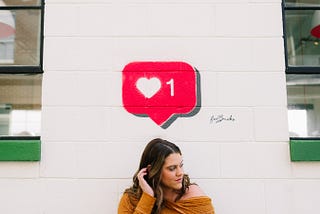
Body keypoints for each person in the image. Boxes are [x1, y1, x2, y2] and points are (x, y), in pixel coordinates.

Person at [118, 138, 215, 214]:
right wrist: (148, 197)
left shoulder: (194, 197)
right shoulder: (131, 199)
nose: (180, 173)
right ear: (152, 170)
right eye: (172, 168)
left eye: (181, 165)